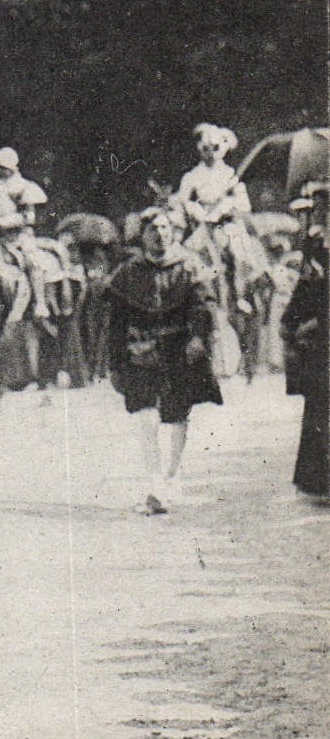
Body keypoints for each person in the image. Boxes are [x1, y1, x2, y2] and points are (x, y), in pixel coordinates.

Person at [103, 207, 222, 515]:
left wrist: (198, 337)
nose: (159, 234)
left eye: (165, 228)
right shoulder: (128, 272)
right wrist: (115, 363)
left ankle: (172, 477)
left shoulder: (189, 265)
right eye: (153, 229)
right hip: (142, 352)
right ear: (142, 236)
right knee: (144, 416)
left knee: (176, 416)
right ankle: (155, 483)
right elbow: (116, 321)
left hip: (179, 350)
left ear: (173, 232)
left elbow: (203, 305)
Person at [176, 123, 256, 314]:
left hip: (226, 223)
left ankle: (239, 295)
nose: (211, 153)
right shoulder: (192, 176)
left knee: (237, 252)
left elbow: (244, 202)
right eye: (206, 149)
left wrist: (226, 206)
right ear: (199, 149)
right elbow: (183, 200)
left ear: (224, 148)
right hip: (201, 224)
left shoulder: (229, 175)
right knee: (190, 255)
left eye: (216, 148)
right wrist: (196, 210)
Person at [282, 184, 327, 498]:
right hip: (319, 332)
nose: (319, 210)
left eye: (324, 203)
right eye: (316, 204)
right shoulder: (314, 240)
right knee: (319, 401)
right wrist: (290, 319)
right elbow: (305, 286)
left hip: (324, 323)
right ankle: (319, 480)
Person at [0, 147, 53, 321]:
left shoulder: (23, 186)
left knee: (32, 259)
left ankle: (40, 302)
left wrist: (5, 222)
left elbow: (29, 216)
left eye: (2, 167)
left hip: (20, 235)